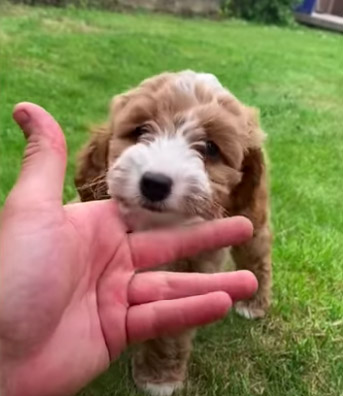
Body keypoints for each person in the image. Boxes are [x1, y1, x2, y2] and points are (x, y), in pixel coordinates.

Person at [0, 103, 258, 396]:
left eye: (208, 149)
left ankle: (164, 363)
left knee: (242, 251)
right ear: (105, 148)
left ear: (246, 172)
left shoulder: (217, 222)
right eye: (141, 132)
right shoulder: (84, 218)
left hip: (201, 227)